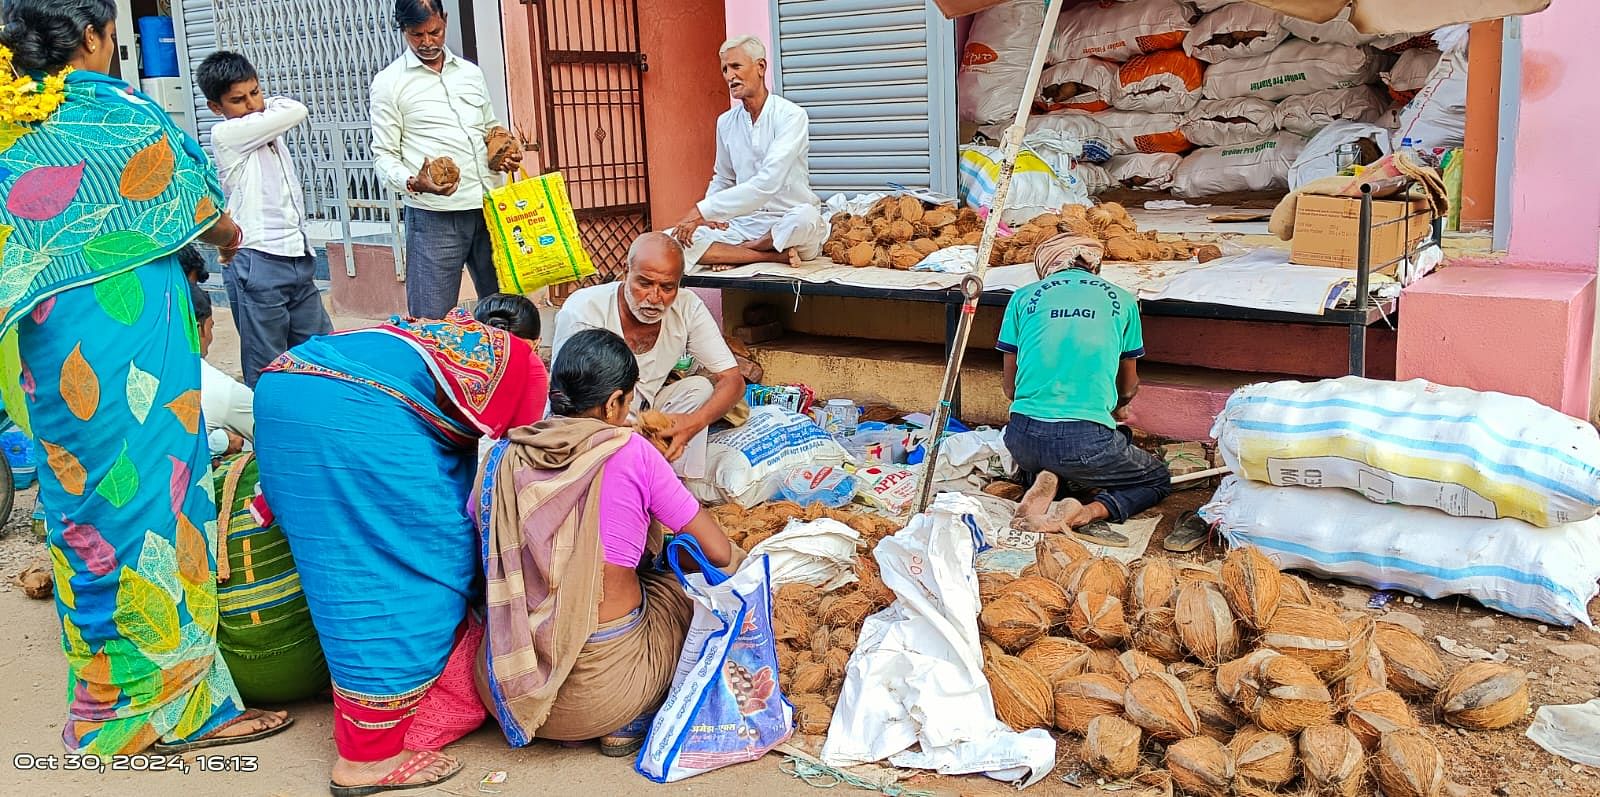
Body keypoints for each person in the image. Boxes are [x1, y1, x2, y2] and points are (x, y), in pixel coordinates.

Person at [0, 0, 293, 755]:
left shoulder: (11, 126)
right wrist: (227, 237)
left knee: (86, 510)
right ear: (96, 37)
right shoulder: (118, 114)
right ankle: (185, 709)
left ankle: (102, 701)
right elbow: (199, 201)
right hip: (135, 354)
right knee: (161, 504)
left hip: (54, 368)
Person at [253, 294, 547, 795]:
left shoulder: (434, 334)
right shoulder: (521, 361)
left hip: (283, 387)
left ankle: (355, 704)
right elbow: (531, 466)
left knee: (339, 568)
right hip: (353, 417)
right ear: (534, 343)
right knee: (420, 570)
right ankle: (367, 758)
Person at [476, 328, 739, 757]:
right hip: (606, 692)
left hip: (506, 686)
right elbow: (718, 552)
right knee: (680, 587)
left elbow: (482, 532)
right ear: (614, 401)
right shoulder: (632, 452)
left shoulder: (504, 455)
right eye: (629, 401)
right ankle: (630, 719)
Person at [998, 235, 1172, 539]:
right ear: (1094, 265)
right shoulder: (1124, 300)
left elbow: (1010, 390)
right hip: (1083, 442)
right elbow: (1128, 387)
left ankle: (1044, 477)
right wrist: (1118, 405)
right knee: (1156, 478)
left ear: (1047, 266)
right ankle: (1085, 512)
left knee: (1073, 450)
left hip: (1022, 439)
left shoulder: (1022, 297)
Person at [371, 0, 523, 319]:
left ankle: (502, 368)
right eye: (416, 35)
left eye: (434, 32)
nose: (428, 42)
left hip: (490, 206)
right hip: (436, 216)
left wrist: (504, 151)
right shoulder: (389, 83)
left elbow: (488, 127)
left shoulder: (470, 73)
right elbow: (384, 156)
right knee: (432, 319)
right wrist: (415, 182)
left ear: (445, 21)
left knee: (507, 311)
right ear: (402, 30)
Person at [551, 233, 742, 479]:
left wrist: (693, 423)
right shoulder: (585, 310)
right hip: (589, 424)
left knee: (699, 388)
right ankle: (645, 482)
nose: (654, 298)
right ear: (625, 272)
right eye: (644, 284)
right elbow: (568, 401)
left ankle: (679, 484)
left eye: (667, 287)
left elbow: (733, 380)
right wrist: (628, 437)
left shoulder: (687, 307)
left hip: (640, 417)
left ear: (679, 283)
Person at [196, 51, 334, 388]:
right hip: (258, 259)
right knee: (268, 366)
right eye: (238, 100)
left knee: (322, 354)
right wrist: (267, 105)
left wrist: (260, 103)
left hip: (297, 257)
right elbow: (296, 109)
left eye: (255, 92)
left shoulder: (264, 126)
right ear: (217, 108)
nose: (253, 105)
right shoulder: (227, 134)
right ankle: (271, 437)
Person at [669, 35, 827, 272]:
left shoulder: (791, 116)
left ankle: (746, 250)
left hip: (787, 221)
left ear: (760, 67)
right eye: (724, 69)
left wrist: (702, 210)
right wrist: (711, 218)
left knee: (806, 219)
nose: (729, 76)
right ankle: (768, 256)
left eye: (735, 66)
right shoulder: (725, 122)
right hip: (745, 224)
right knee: (672, 242)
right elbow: (723, 177)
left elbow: (767, 183)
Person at [191, 286, 255, 459]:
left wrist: (222, 441)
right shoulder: (218, 387)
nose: (210, 338)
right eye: (211, 327)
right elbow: (276, 434)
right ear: (199, 329)